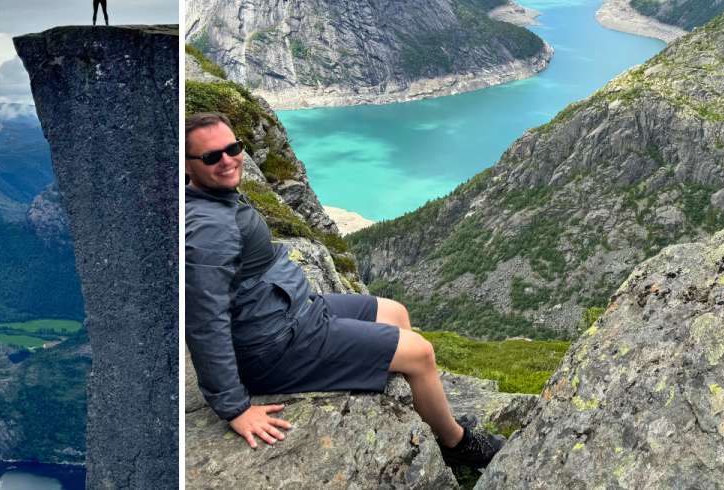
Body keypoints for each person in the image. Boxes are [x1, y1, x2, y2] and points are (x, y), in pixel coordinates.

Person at [184, 111, 505, 470]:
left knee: (395, 312)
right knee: (421, 354)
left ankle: (424, 407)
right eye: (212, 156)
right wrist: (235, 408)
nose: (228, 160)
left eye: (233, 148)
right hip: (277, 346)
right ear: (186, 165)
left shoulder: (214, 198)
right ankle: (456, 444)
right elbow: (204, 322)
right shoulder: (207, 230)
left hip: (293, 311)